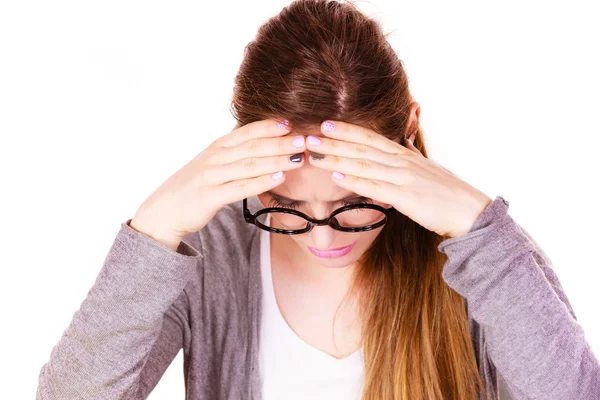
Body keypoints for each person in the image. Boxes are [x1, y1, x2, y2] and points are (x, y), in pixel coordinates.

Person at [36, 0, 600, 399]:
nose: (325, 238)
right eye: (285, 206)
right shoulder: (208, 255)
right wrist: (154, 227)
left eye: (356, 201)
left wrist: (480, 230)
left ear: (408, 132)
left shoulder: (483, 257)